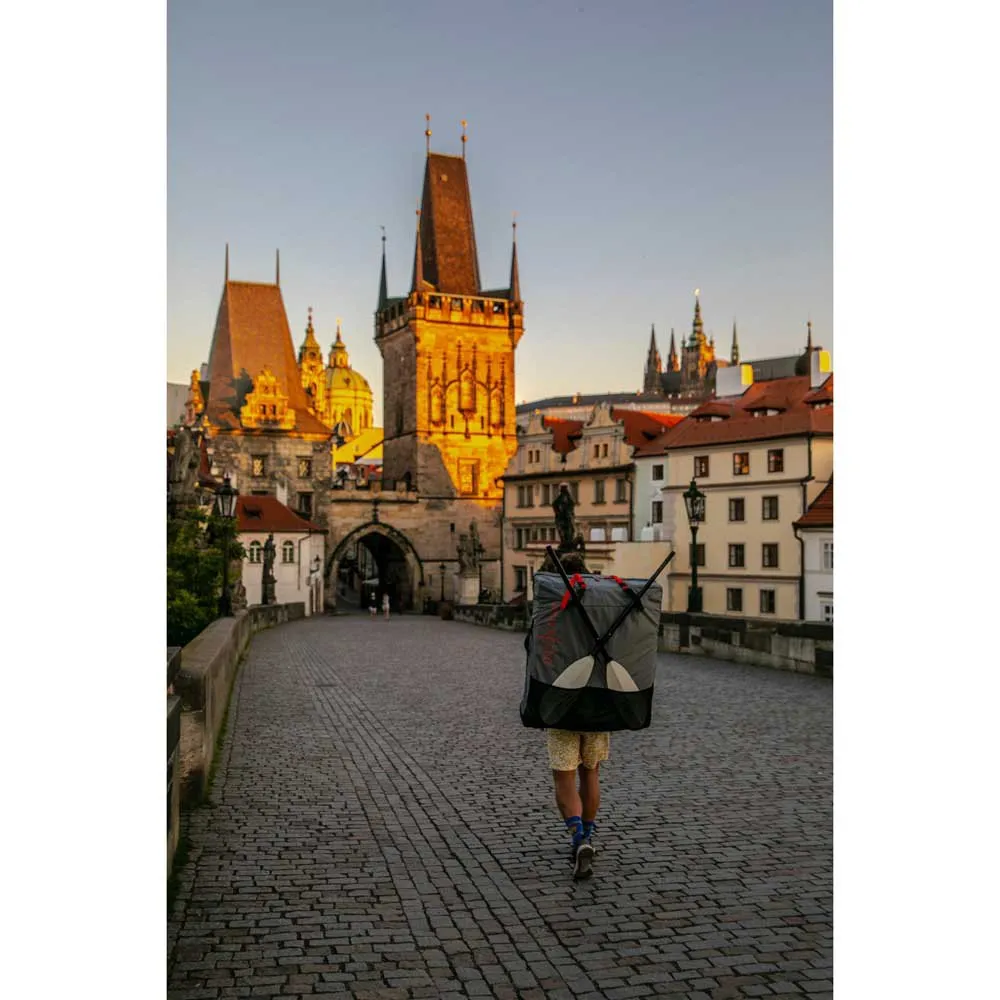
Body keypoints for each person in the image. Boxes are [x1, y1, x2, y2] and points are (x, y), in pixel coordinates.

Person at [547, 730, 607, 880]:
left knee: (564, 777)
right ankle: (586, 836)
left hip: (562, 720)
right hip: (596, 720)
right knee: (590, 772)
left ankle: (579, 838)